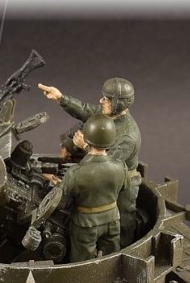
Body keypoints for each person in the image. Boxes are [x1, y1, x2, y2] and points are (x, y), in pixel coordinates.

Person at [38, 78, 141, 247]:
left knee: (124, 222)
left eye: (107, 99)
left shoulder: (127, 136)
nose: (101, 101)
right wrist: (61, 98)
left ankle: (124, 251)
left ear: (118, 103)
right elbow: (85, 110)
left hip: (122, 183)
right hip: (106, 175)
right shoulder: (109, 116)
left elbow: (107, 166)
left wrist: (85, 146)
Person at [47, 114, 129, 262]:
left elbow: (61, 203)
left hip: (85, 224)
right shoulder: (121, 167)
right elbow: (124, 188)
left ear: (87, 139)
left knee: (82, 261)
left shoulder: (75, 172)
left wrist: (58, 184)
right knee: (112, 259)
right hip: (112, 219)